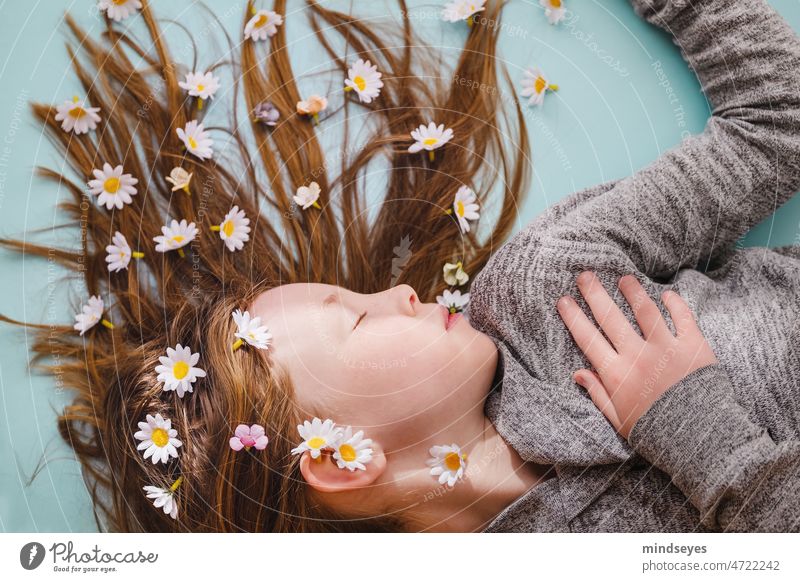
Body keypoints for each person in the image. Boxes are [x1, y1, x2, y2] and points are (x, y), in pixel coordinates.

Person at [3, 0, 799, 533]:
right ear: (339, 458)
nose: (402, 292)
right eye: (356, 315)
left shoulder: (547, 290)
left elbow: (777, 123)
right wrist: (710, 447)